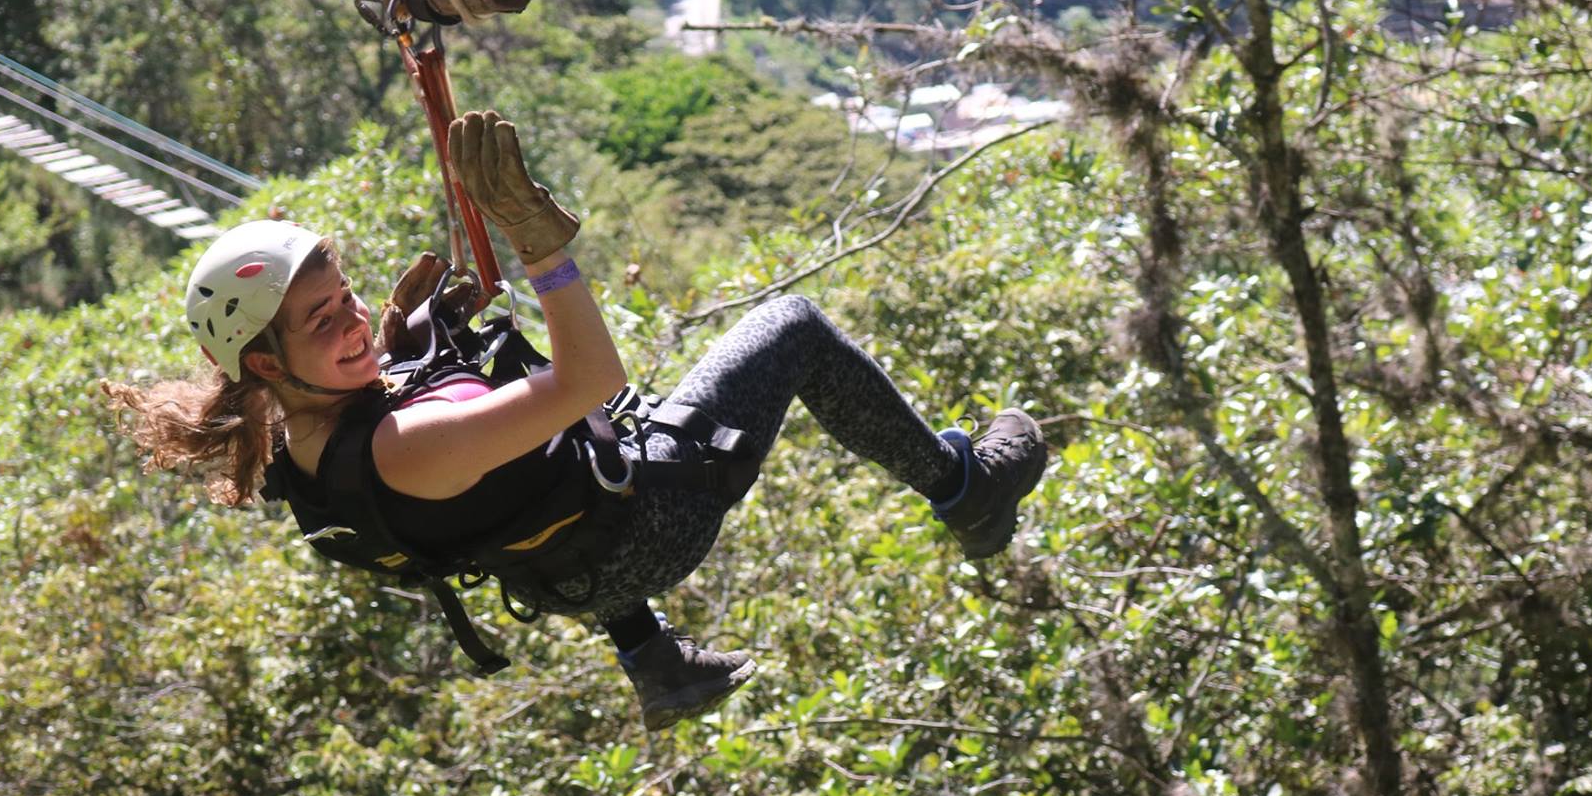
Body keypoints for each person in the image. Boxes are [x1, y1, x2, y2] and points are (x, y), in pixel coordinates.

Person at [106, 110, 1047, 731]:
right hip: (647, 520)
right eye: (325, 322)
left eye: (347, 298)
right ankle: (966, 489)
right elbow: (593, 379)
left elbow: (447, 490)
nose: (353, 320)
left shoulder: (288, 448)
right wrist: (540, 248)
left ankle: (655, 658)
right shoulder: (407, 443)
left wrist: (399, 346)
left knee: (516, 449)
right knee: (790, 329)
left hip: (569, 579)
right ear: (266, 364)